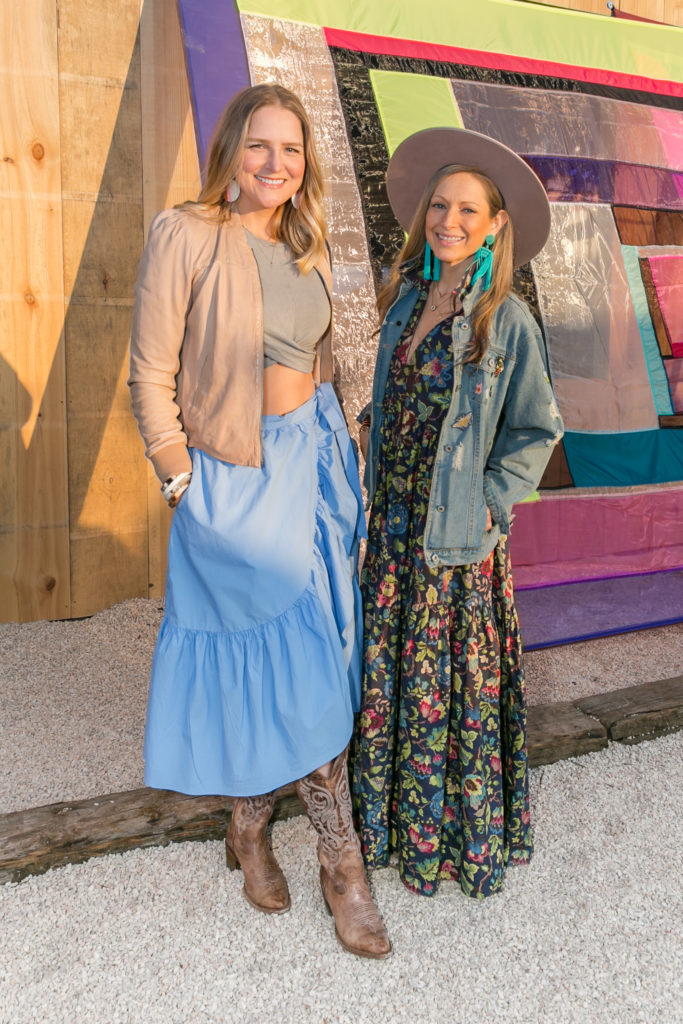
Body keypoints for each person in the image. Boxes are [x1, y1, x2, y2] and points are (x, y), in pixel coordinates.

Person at [128, 84, 391, 959]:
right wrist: (181, 483)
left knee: (316, 656)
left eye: (291, 149)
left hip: (314, 467)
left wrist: (344, 445)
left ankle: (247, 824)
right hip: (235, 479)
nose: (276, 164)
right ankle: (341, 866)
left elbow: (319, 360)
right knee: (292, 663)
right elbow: (149, 373)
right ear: (230, 153)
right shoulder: (187, 234)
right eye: (259, 146)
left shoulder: (305, 240)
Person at [352, 127, 564, 900]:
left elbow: (536, 428)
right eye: (439, 206)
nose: (449, 221)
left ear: (495, 223)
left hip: (454, 536)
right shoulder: (406, 298)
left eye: (467, 209)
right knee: (393, 676)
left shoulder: (504, 320)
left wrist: (492, 506)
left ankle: (452, 845)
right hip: (394, 524)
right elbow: (400, 399)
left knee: (447, 688)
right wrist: (369, 427)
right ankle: (387, 829)